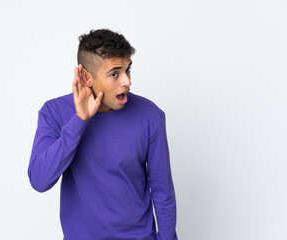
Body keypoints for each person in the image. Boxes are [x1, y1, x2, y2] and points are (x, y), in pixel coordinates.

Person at [27, 29, 178, 240]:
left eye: (127, 70)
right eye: (115, 73)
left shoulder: (150, 116)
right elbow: (39, 180)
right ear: (87, 77)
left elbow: (163, 192)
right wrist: (79, 121)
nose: (127, 81)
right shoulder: (54, 112)